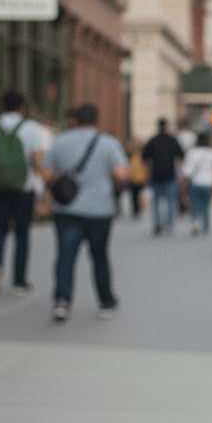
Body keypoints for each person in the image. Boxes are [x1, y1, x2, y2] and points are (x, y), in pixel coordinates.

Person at [42, 103, 128, 322]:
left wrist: (63, 183)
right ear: (96, 120)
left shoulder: (60, 141)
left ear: (75, 119)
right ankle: (105, 301)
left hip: (67, 209)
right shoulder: (108, 143)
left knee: (65, 256)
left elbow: (46, 173)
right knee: (99, 256)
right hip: (99, 210)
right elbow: (120, 175)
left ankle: (62, 301)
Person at [0, 89, 46, 294]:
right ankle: (19, 280)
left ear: (2, 107)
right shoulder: (31, 128)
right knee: (22, 234)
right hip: (24, 187)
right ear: (22, 107)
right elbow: (38, 161)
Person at [142, 117, 184, 235]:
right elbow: (180, 157)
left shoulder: (153, 140)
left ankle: (157, 224)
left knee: (156, 202)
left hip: (156, 175)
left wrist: (147, 172)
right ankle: (169, 224)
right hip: (170, 174)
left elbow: (145, 158)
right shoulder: (172, 140)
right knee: (171, 201)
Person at [181, 131, 212, 235]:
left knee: (195, 204)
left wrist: (184, 180)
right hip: (208, 183)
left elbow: (187, 169)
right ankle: (206, 225)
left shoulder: (192, 153)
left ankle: (195, 222)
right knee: (205, 205)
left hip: (195, 182)